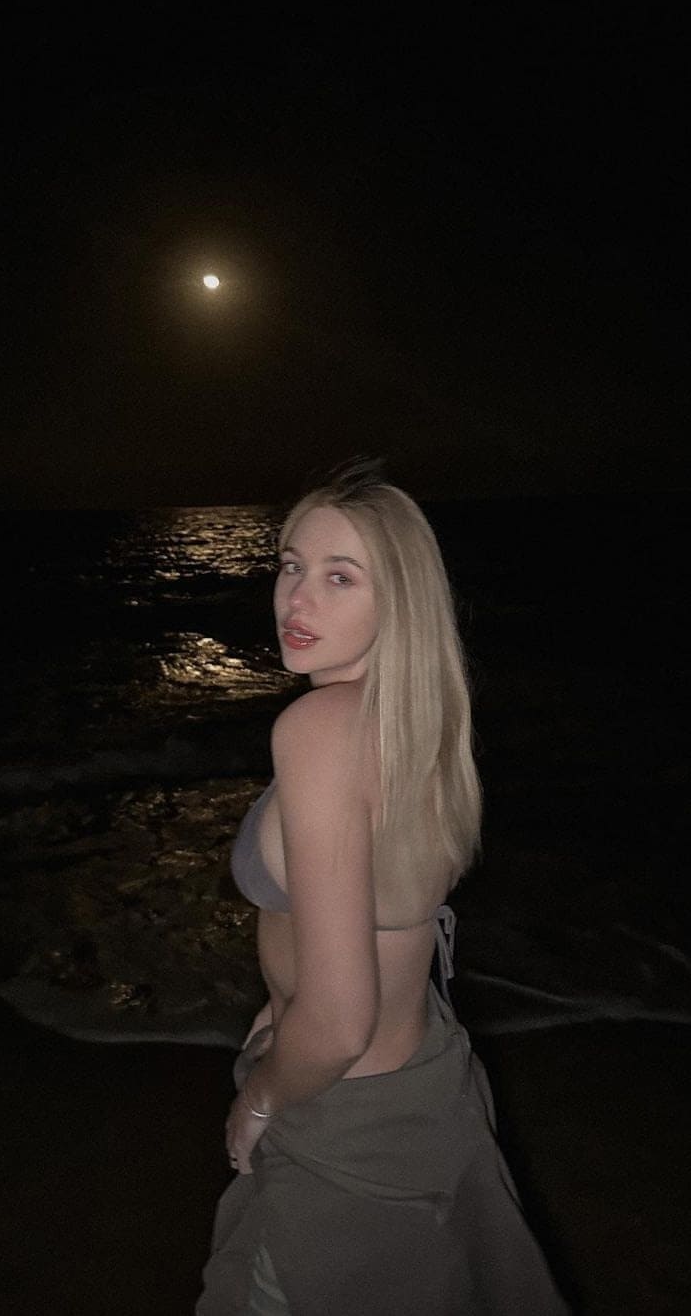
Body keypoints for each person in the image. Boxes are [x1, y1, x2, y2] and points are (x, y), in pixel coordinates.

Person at [197, 457, 570, 1315]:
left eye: (340, 577)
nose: (297, 600)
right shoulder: (417, 724)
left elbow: (339, 1018)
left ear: (399, 600)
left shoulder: (320, 729)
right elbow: (387, 930)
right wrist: (273, 1017)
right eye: (291, 566)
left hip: (345, 1113)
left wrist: (261, 1098)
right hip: (421, 1077)